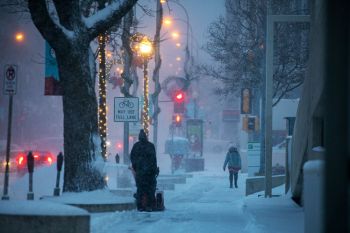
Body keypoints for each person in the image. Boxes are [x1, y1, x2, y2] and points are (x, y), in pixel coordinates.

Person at [130, 129, 159, 211]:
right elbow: (154, 160)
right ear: (146, 137)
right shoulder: (150, 146)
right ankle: (150, 205)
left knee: (140, 189)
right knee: (150, 189)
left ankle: (140, 206)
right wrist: (154, 170)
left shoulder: (136, 146)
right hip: (149, 173)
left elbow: (132, 158)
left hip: (140, 173)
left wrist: (136, 168)